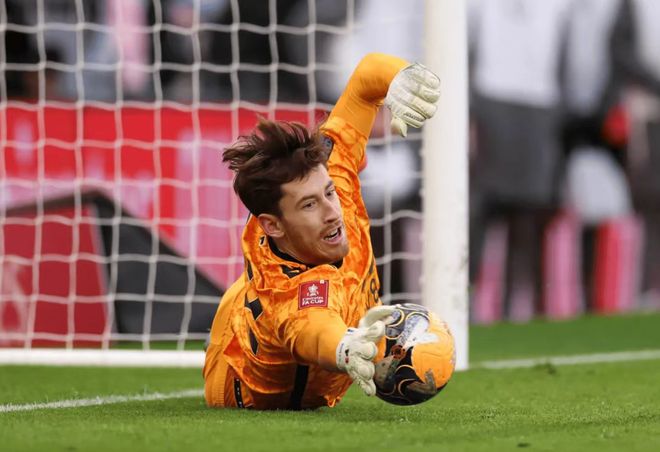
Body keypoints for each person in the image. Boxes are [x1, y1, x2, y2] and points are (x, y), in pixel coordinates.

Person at [203, 53, 441, 410]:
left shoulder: (330, 175)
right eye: (309, 205)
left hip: (273, 281)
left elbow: (366, 78)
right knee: (260, 306)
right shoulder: (288, 291)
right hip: (237, 386)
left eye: (327, 194)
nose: (332, 212)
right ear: (272, 224)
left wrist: (399, 77)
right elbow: (313, 330)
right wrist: (345, 348)